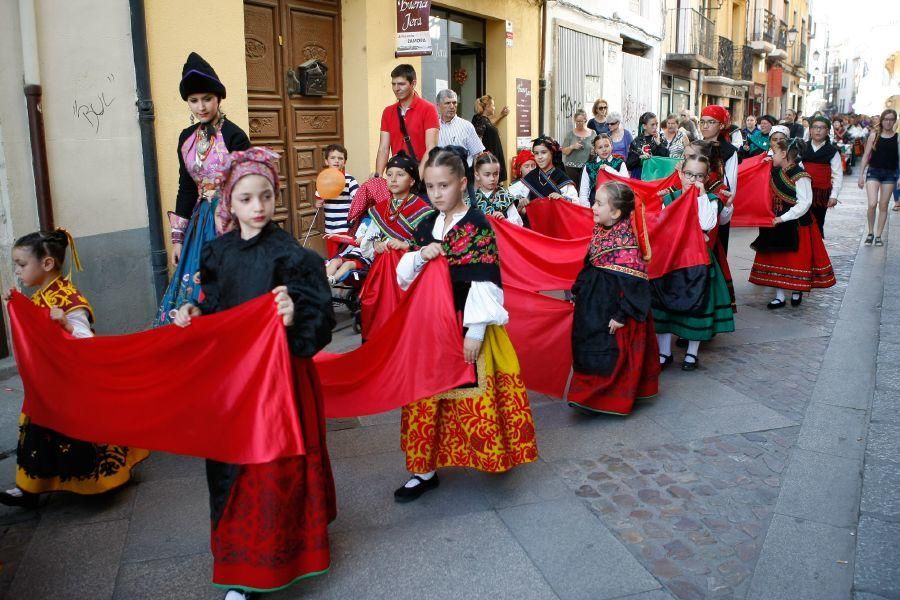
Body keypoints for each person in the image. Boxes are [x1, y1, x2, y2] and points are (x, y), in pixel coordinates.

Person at [174, 147, 336, 599]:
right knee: (234, 468)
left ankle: (280, 559)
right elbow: (214, 308)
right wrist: (192, 311)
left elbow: (318, 323)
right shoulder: (217, 252)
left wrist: (291, 316)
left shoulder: (293, 256)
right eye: (246, 198)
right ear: (229, 200)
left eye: (266, 196)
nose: (258, 207)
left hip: (280, 382)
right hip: (234, 382)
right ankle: (240, 566)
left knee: (271, 470)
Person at [393, 148, 538, 502]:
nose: (437, 193)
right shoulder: (426, 224)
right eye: (430, 186)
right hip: (431, 326)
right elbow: (406, 279)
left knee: (475, 394)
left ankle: (489, 453)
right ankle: (424, 469)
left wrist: (475, 331)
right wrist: (418, 256)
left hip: (467, 321)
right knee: (426, 397)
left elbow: (485, 280)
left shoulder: (476, 226)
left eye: (444, 185)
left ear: (462, 183)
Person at [0, 230, 148, 508]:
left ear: (47, 264)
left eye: (22, 264)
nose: (18, 272)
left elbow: (85, 341)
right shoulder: (41, 295)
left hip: (74, 386)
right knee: (35, 429)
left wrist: (66, 325)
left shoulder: (68, 299)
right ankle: (29, 487)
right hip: (50, 384)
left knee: (80, 434)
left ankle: (101, 485)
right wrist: (18, 306)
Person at [156, 52, 250, 326]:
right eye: (194, 100)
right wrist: (177, 239)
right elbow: (186, 187)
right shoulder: (186, 139)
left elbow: (248, 185)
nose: (201, 106)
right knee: (193, 285)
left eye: (207, 98)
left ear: (218, 98)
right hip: (200, 225)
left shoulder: (235, 135)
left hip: (231, 223)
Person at [567, 181, 659, 415]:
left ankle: (608, 400)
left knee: (610, 355)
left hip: (614, 313)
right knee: (589, 348)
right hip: (594, 307)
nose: (593, 207)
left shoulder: (627, 245)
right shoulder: (601, 232)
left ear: (616, 212)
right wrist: (578, 289)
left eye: (599, 203)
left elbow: (636, 286)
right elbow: (590, 263)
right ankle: (587, 396)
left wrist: (621, 315)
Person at [653, 155, 734, 371]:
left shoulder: (710, 200)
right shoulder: (669, 198)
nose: (693, 180)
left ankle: (691, 352)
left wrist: (702, 194)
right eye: (689, 174)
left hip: (698, 260)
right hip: (672, 259)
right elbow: (662, 227)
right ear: (681, 174)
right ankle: (664, 352)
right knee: (664, 303)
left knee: (698, 303)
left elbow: (706, 223)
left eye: (699, 176)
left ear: (706, 178)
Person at [749, 138, 836, 308]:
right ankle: (779, 296)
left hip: (796, 224)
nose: (770, 155)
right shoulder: (773, 171)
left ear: (783, 154)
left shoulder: (801, 175)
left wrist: (783, 218)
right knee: (777, 260)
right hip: (775, 222)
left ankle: (797, 290)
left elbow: (805, 203)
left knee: (795, 260)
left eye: (773, 152)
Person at [359, 152, 435, 253]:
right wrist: (376, 245)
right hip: (382, 263)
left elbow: (429, 245)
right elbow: (368, 242)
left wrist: (405, 245)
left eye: (400, 175)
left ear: (412, 181)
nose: (393, 179)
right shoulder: (381, 208)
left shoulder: (422, 210)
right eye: (389, 175)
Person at [375, 64, 439, 177]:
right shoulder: (388, 112)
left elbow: (431, 147)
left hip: (422, 174)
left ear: (413, 83)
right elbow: (384, 148)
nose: (396, 88)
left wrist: (418, 177)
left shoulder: (428, 109)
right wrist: (378, 175)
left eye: (401, 84)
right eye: (393, 84)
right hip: (397, 176)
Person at [858, 109, 899, 246]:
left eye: (891, 119)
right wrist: (861, 175)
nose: (888, 122)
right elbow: (865, 156)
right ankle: (870, 232)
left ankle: (879, 235)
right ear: (882, 120)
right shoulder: (874, 135)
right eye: (886, 119)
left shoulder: (898, 138)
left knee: (883, 205)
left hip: (890, 174)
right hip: (874, 172)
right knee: (872, 203)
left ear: (894, 121)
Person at [315, 144, 360, 257]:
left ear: (344, 162)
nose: (337, 161)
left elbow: (359, 198)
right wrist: (318, 203)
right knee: (332, 256)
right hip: (330, 228)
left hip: (345, 228)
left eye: (340, 158)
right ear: (326, 161)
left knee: (344, 257)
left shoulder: (349, 180)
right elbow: (318, 199)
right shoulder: (323, 180)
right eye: (333, 158)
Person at [801, 115, 843, 236]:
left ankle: (817, 251)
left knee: (817, 224)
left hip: (820, 196)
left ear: (828, 131)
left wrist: (834, 196)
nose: (818, 130)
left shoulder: (832, 151)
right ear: (810, 130)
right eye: (815, 127)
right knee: (801, 224)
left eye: (822, 127)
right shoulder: (802, 147)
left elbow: (837, 175)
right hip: (801, 193)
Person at [519, 136, 580, 203]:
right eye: (536, 153)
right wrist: (522, 203)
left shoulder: (561, 178)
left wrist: (562, 199)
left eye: (544, 152)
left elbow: (575, 204)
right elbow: (520, 202)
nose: (540, 157)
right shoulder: (531, 177)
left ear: (552, 153)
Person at [473, 152, 523, 225]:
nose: (492, 178)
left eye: (495, 174)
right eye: (487, 175)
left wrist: (505, 221)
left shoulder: (505, 196)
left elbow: (519, 223)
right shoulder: (470, 201)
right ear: (477, 175)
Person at [436, 89, 485, 165]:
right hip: (439, 174)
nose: (452, 106)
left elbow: (478, 155)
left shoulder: (466, 126)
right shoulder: (433, 127)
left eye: (454, 103)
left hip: (463, 173)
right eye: (447, 103)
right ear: (438, 106)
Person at [580, 134, 628, 204]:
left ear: (611, 146)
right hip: (595, 203)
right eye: (600, 147)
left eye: (607, 146)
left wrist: (609, 169)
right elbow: (584, 190)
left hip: (616, 203)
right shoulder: (589, 166)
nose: (604, 150)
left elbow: (626, 183)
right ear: (595, 150)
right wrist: (586, 207)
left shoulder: (620, 163)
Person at [472, 94, 509, 182]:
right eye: (493, 105)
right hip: (488, 162)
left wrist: (501, 115)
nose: (494, 108)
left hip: (492, 160)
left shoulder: (484, 119)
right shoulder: (480, 120)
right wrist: (482, 160)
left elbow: (488, 125)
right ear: (487, 107)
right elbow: (478, 140)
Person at [626, 112, 670, 179]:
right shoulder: (636, 142)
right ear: (644, 126)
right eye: (652, 125)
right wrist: (639, 158)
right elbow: (629, 165)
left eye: (656, 124)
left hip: (657, 176)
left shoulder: (661, 138)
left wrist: (658, 144)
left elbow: (667, 158)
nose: (655, 127)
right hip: (641, 177)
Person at [561, 109, 596, 183]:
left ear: (585, 120)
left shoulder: (593, 133)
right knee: (574, 188)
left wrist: (594, 150)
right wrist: (573, 147)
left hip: (587, 167)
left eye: (581, 121)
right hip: (571, 168)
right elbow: (564, 151)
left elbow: (597, 147)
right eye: (577, 121)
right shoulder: (570, 134)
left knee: (585, 187)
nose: (579, 123)